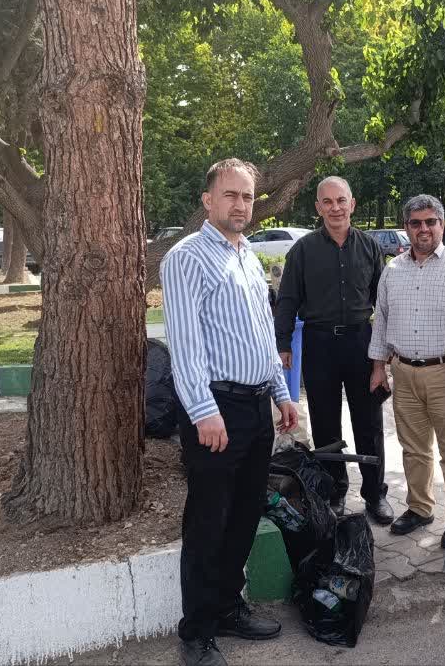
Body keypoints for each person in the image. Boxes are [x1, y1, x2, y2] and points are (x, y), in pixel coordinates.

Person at [161, 159, 301, 666]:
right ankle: (196, 632)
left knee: (243, 515)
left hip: (256, 407)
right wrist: (204, 411)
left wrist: (281, 393)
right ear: (208, 200)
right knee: (209, 520)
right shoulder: (186, 258)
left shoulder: (247, 257)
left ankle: (225, 606)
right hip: (214, 410)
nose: (240, 205)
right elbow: (185, 346)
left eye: (247, 196)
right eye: (230, 195)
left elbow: (262, 335)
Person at [274, 176, 393, 524]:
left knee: (369, 423)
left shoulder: (370, 247)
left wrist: (384, 353)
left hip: (361, 343)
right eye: (327, 202)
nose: (335, 207)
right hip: (319, 343)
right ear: (318, 208)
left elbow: (383, 302)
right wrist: (283, 344)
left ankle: (374, 494)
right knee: (325, 424)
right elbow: (287, 300)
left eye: (341, 200)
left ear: (352, 204)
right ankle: (334, 492)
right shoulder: (303, 250)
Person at [368, 194, 445, 548]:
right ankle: (419, 508)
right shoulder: (393, 270)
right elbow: (382, 319)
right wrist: (379, 367)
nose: (423, 229)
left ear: (442, 224)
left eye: (430, 222)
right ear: (406, 227)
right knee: (413, 448)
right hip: (403, 373)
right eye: (415, 223)